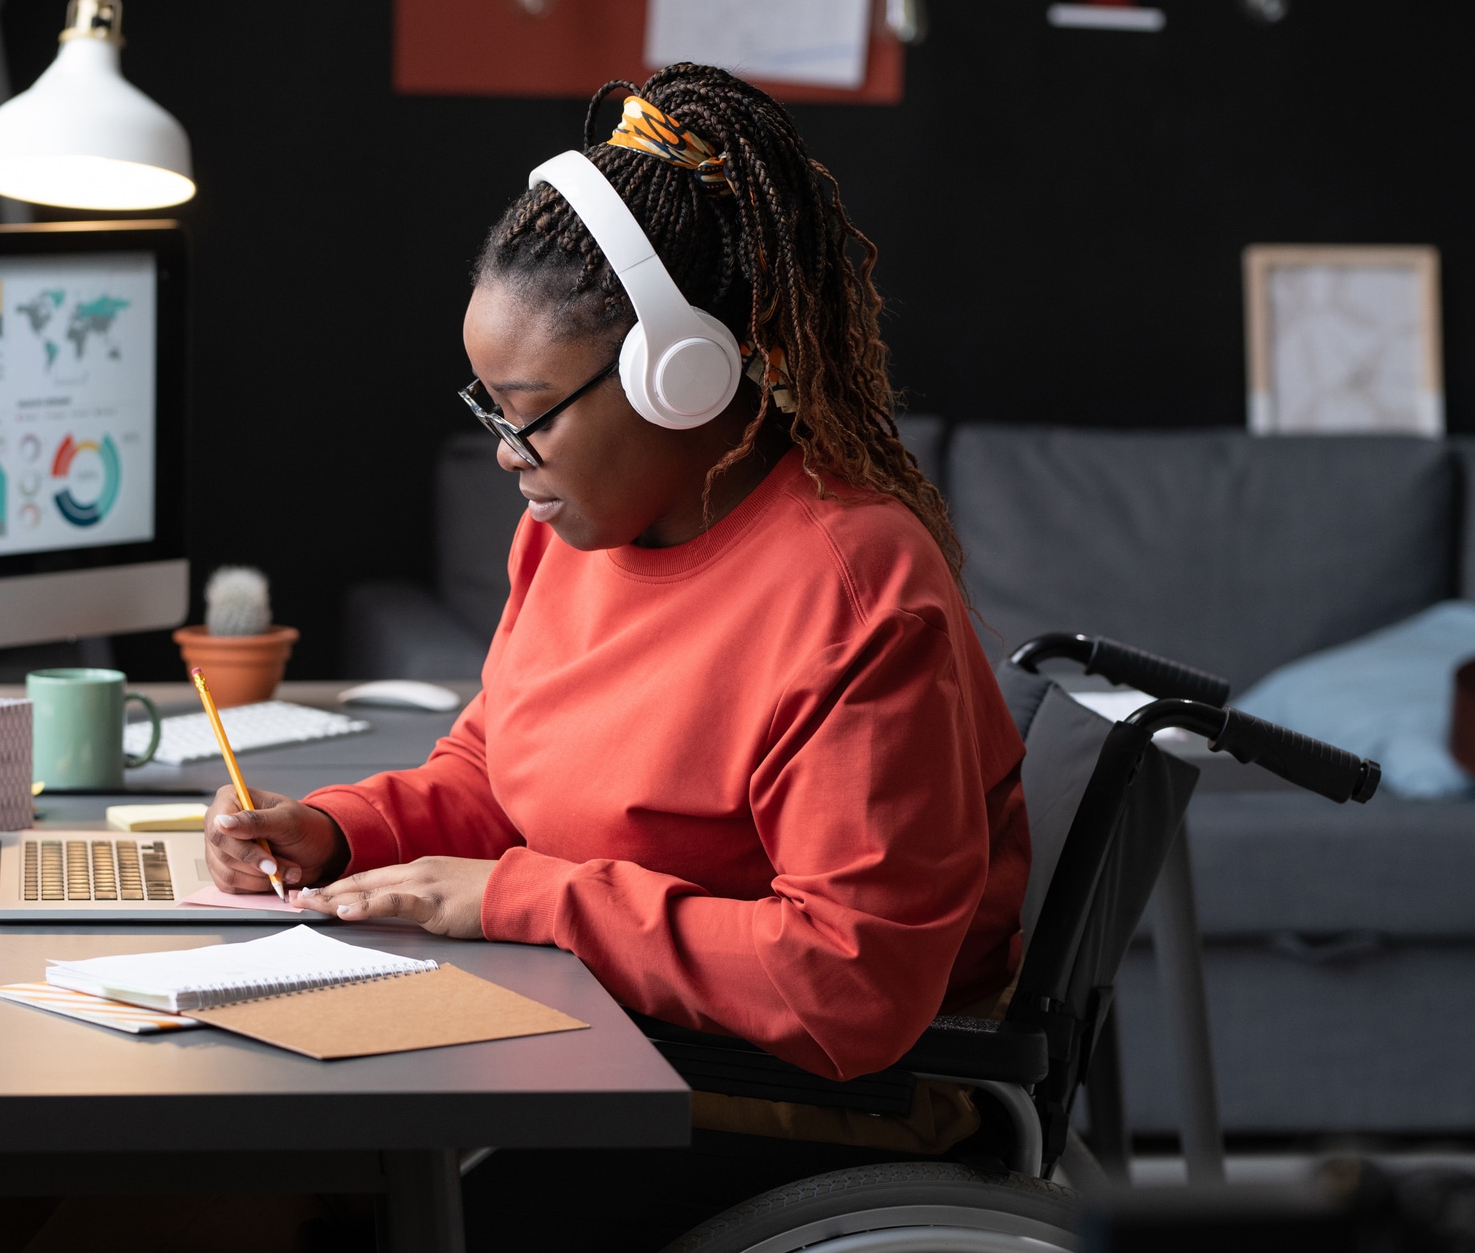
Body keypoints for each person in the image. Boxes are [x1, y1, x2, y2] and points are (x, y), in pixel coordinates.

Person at [206, 65, 1029, 1246]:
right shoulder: (575, 533)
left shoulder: (856, 590)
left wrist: (523, 899)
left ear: (681, 375)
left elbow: (850, 984)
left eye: (527, 410)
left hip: (808, 1092)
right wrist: (340, 829)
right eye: (487, 408)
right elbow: (496, 775)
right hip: (610, 1028)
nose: (503, 451)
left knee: (284, 1192)